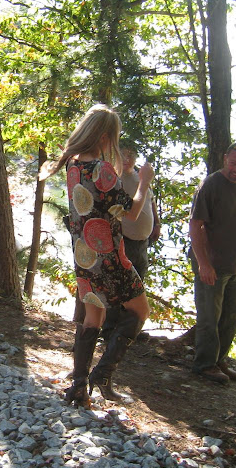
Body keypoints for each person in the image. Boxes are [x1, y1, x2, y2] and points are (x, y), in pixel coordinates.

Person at [40, 104, 154, 406]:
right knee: (140, 311)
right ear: (104, 136)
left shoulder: (73, 165)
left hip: (84, 255)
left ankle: (79, 388)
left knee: (93, 317)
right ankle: (102, 375)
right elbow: (131, 213)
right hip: (110, 258)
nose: (114, 143)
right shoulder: (102, 169)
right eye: (113, 137)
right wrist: (144, 181)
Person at [189, 141, 236, 384]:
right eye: (233, 163)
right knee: (209, 316)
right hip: (211, 262)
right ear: (225, 158)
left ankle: (219, 359)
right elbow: (195, 225)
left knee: (231, 315)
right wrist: (203, 264)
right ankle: (204, 364)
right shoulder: (211, 185)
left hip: (234, 265)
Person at [97, 140, 161, 400]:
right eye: (123, 154)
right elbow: (128, 211)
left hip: (141, 242)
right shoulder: (114, 177)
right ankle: (110, 331)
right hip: (123, 241)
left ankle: (125, 331)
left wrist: (157, 223)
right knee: (120, 289)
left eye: (131, 155)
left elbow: (149, 203)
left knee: (137, 287)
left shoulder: (138, 176)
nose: (127, 159)